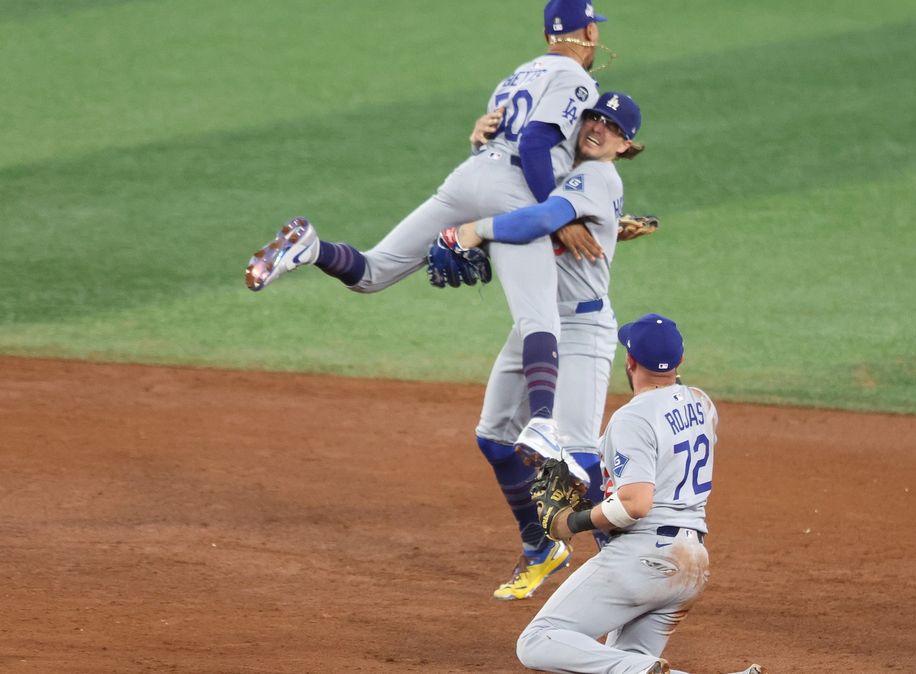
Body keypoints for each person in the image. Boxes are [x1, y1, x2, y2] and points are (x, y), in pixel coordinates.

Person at [244, 0, 611, 456]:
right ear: (590, 34)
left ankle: (312, 248)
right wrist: (557, 217)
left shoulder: (517, 74)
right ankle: (541, 424)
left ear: (546, 37)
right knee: (541, 318)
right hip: (513, 188)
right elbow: (536, 143)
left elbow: (492, 134)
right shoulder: (575, 78)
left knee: (373, 272)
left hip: (468, 177)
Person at [439, 92, 644, 600]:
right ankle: (541, 545)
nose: (598, 128)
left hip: (581, 330)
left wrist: (470, 232)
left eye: (612, 126)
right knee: (493, 438)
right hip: (539, 323)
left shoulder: (597, 176)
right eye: (594, 117)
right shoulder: (560, 168)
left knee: (578, 459)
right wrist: (482, 143)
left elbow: (533, 220)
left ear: (627, 144)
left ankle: (628, 565)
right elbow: (513, 188)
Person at [514, 313, 762, 674]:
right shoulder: (702, 403)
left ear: (629, 361)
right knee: (627, 663)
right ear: (680, 362)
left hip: (645, 559)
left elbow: (636, 503)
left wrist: (572, 522)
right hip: (691, 566)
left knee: (537, 641)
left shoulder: (632, 419)